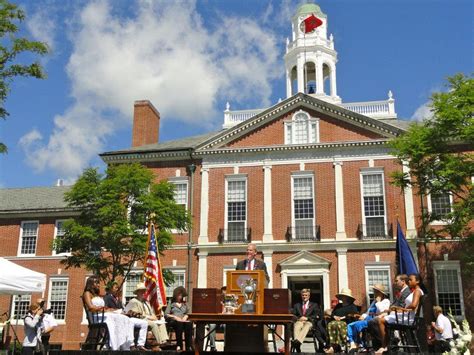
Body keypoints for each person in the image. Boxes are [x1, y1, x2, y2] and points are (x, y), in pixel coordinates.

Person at [82, 275, 137, 351]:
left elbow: (105, 308)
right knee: (113, 319)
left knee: (123, 318)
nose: (98, 284)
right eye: (96, 283)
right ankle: (113, 345)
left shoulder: (97, 295)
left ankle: (125, 344)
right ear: (90, 283)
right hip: (96, 317)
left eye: (98, 283)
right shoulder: (87, 293)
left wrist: (111, 310)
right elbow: (90, 307)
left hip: (103, 315)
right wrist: (102, 309)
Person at [375, 273, 424, 354]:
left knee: (381, 321)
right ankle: (390, 343)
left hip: (408, 319)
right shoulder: (415, 291)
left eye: (411, 280)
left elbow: (413, 305)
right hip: (406, 316)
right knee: (383, 318)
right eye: (408, 280)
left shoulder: (417, 291)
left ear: (417, 281)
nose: (409, 281)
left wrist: (400, 309)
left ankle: (384, 346)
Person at [102, 281, 149, 350]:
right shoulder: (108, 297)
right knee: (130, 322)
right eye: (116, 288)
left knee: (144, 323)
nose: (118, 289)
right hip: (114, 319)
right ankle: (131, 344)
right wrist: (117, 311)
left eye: (118, 288)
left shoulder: (118, 300)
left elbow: (124, 310)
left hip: (124, 318)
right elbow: (105, 308)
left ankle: (140, 344)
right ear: (111, 289)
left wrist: (131, 313)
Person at [367, 274, 410, 348]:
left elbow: (402, 306)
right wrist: (388, 310)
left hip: (401, 316)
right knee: (373, 321)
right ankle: (385, 342)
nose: (395, 283)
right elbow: (395, 306)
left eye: (397, 281)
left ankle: (385, 344)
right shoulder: (401, 292)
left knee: (376, 321)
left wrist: (389, 311)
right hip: (394, 314)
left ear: (403, 281)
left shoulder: (406, 292)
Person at [124, 282, 169, 350]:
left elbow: (152, 313)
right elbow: (133, 314)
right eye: (141, 291)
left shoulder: (146, 302)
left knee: (161, 323)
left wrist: (154, 317)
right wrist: (148, 317)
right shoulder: (133, 301)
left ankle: (164, 341)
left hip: (149, 319)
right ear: (137, 292)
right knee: (153, 324)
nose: (143, 293)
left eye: (144, 291)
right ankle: (160, 342)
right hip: (140, 320)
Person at [347, 284, 390, 351]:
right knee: (350, 325)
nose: (374, 293)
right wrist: (363, 316)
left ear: (380, 293)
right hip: (368, 319)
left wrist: (378, 302)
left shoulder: (386, 301)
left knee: (358, 325)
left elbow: (383, 311)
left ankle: (359, 343)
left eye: (376, 291)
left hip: (375, 320)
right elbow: (368, 312)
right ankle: (352, 342)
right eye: (374, 291)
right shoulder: (373, 302)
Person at [324, 288, 359, 354]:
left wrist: (342, 318)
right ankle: (332, 346)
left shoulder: (352, 306)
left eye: (344, 296)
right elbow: (333, 313)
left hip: (347, 322)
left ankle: (336, 346)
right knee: (330, 324)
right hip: (335, 321)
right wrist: (334, 316)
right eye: (342, 296)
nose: (343, 297)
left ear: (347, 297)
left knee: (337, 324)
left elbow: (354, 315)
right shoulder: (338, 305)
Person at [291, 288, 321, 353]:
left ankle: (297, 342)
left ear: (309, 296)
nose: (304, 297)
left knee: (307, 325)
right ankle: (297, 343)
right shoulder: (297, 305)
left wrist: (307, 318)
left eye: (306, 295)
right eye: (303, 295)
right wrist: (299, 318)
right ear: (301, 296)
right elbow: (293, 315)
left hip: (309, 322)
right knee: (297, 325)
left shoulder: (314, 305)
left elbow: (317, 315)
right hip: (300, 321)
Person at [165, 286, 193, 351]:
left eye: (181, 295)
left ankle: (188, 346)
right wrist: (175, 317)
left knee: (189, 324)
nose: (180, 296)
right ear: (176, 295)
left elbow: (189, 312)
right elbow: (166, 314)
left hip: (184, 320)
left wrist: (185, 317)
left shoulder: (185, 303)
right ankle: (179, 345)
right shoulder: (171, 303)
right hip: (174, 321)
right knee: (179, 324)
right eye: (179, 295)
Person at [207, 286, 226, 352]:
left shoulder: (229, 303)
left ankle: (226, 346)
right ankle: (213, 347)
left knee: (227, 326)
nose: (224, 294)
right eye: (223, 293)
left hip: (224, 322)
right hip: (215, 321)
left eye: (225, 292)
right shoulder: (216, 302)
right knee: (212, 325)